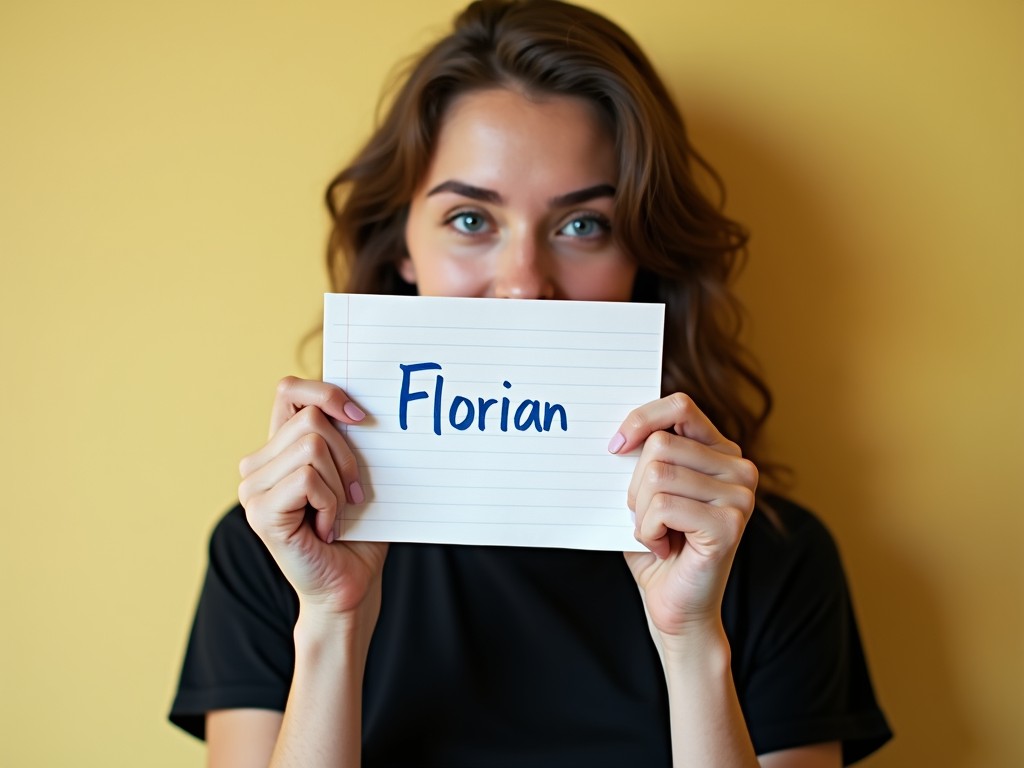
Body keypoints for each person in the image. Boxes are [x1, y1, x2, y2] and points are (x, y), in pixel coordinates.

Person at [169, 1, 892, 765]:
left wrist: (690, 640)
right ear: (403, 246)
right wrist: (332, 619)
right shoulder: (274, 549)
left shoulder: (766, 558)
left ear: (642, 256)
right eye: (471, 220)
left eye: (583, 225)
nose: (523, 285)